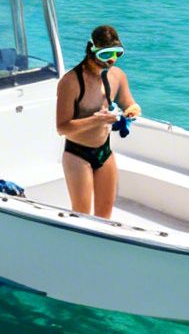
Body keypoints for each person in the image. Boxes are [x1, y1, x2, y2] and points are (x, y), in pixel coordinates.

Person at [55, 24, 139, 218]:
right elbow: (62, 127)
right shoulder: (71, 82)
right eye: (105, 55)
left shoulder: (117, 76)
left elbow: (129, 103)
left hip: (105, 152)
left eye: (117, 54)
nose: (111, 60)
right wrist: (96, 121)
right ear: (91, 50)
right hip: (77, 154)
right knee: (82, 217)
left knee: (105, 218)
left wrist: (131, 111)